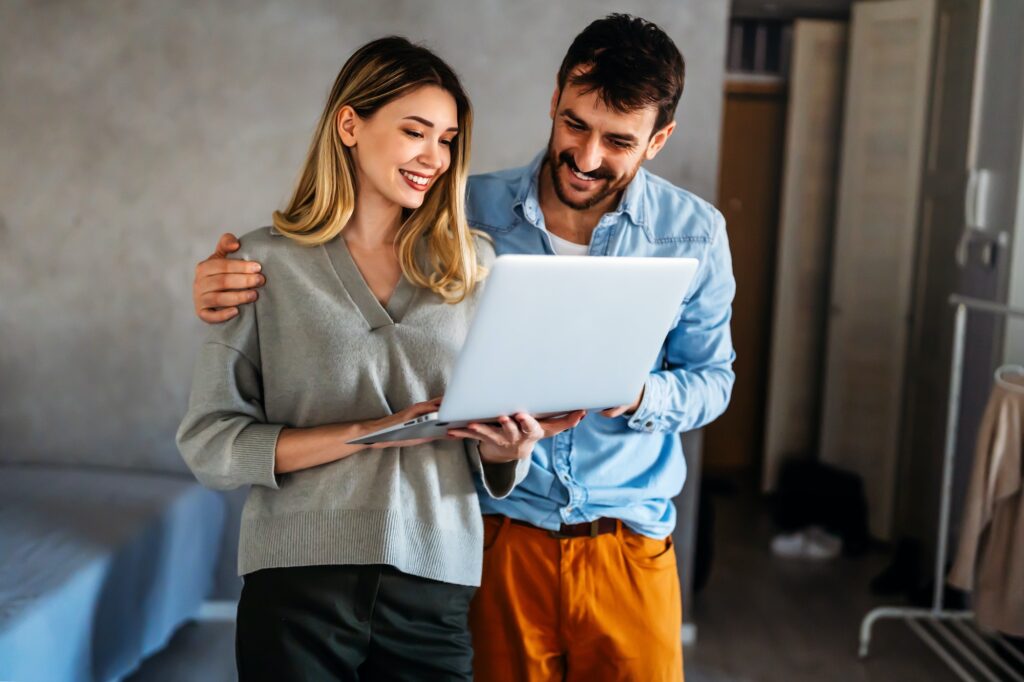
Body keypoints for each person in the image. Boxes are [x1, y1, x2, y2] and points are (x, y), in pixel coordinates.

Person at [192, 15, 735, 681]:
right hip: (497, 534)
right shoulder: (465, 216)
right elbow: (329, 267)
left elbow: (713, 380)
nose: (588, 157)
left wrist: (637, 393)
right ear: (555, 99)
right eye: (574, 125)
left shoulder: (693, 235)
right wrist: (222, 280)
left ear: (659, 140)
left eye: (618, 141)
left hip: (625, 536)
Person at [177, 36, 583, 681]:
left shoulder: (474, 268)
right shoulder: (263, 265)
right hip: (295, 585)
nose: (434, 157)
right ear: (349, 125)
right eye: (415, 132)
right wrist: (363, 435)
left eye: (447, 139)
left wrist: (509, 448)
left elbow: (488, 436)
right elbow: (211, 443)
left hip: (435, 584)